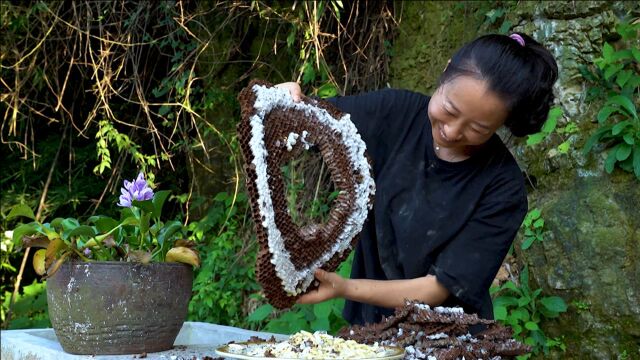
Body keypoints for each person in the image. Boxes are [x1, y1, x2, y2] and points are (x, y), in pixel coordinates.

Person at [275, 33, 558, 327]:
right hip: (369, 328)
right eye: (449, 110)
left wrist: (344, 288)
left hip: (448, 339)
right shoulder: (394, 113)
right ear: (446, 71)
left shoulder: (502, 188)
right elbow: (307, 124)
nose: (451, 131)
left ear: (501, 123)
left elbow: (437, 288)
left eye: (477, 128)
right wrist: (286, 101)